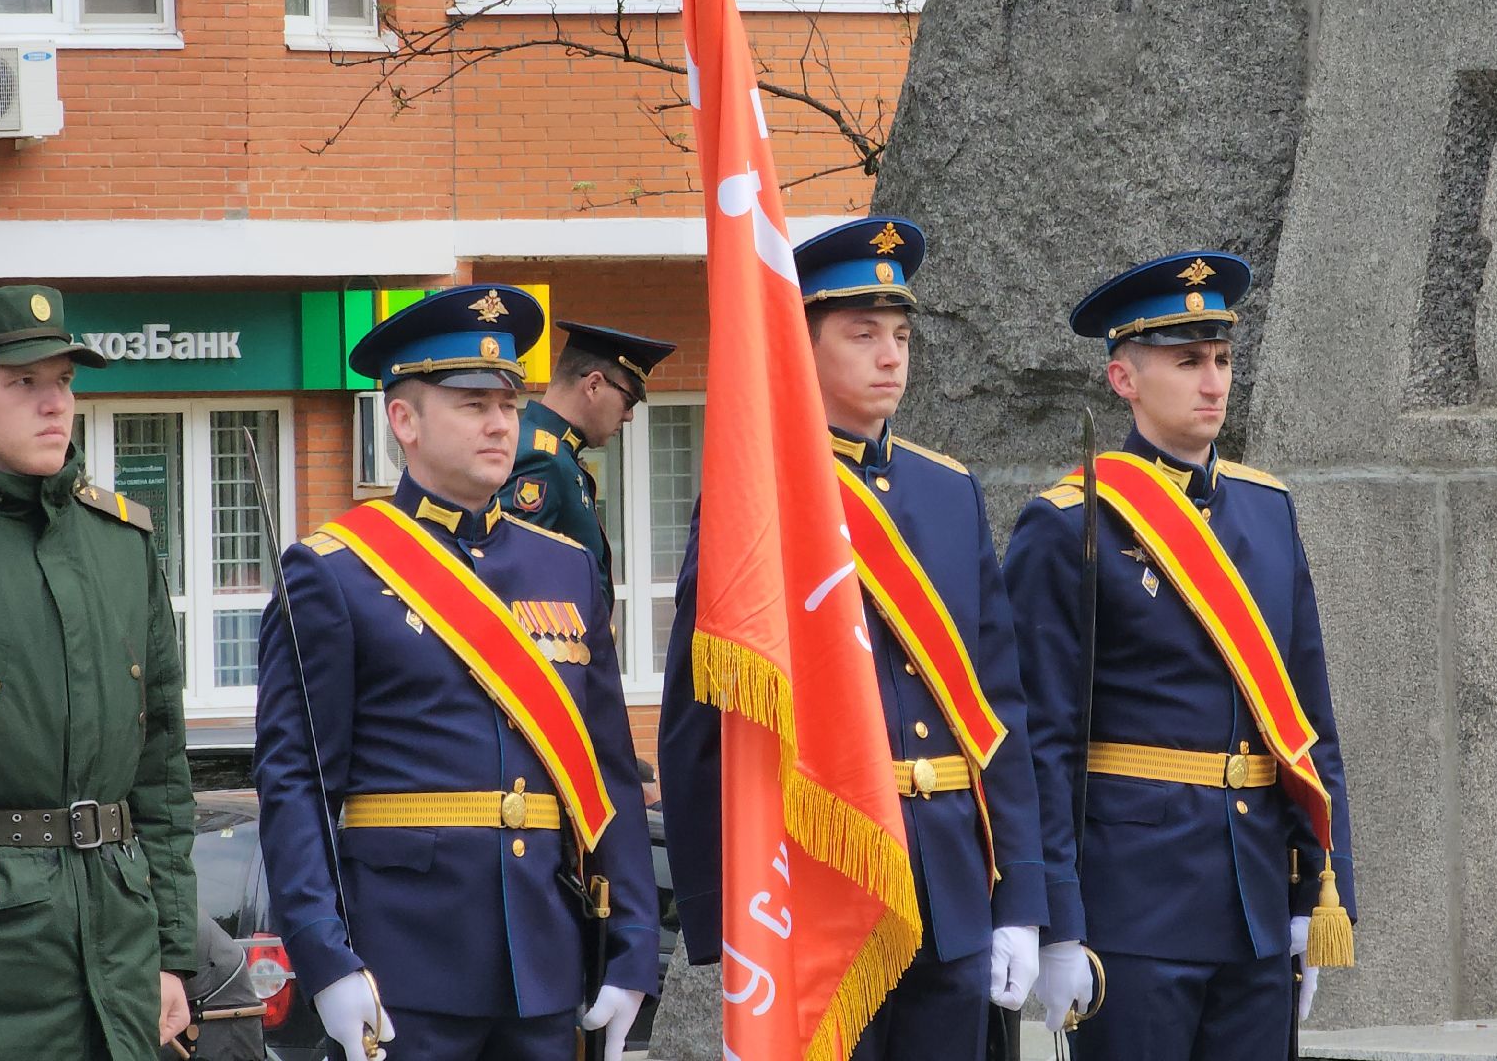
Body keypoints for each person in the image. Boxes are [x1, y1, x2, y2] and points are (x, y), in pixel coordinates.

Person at [659, 218, 1047, 1060]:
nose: (890, 355)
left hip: (949, 882)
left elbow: (998, 708)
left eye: (901, 335)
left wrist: (1020, 895)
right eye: (862, 333)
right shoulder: (755, 497)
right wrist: (727, 925)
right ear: (801, 348)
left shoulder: (948, 491)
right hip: (816, 889)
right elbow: (702, 718)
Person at [252, 286, 658, 1061]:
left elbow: (606, 773)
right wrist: (324, 956)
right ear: (403, 420)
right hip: (401, 970)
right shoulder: (335, 573)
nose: (501, 422)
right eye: (472, 403)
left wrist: (634, 944)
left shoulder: (566, 569)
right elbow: (296, 781)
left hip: (544, 961)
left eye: (509, 402)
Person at [1002, 253, 1356, 1060]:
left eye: (1224, 359)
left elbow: (1309, 719)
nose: (1213, 382)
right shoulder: (1069, 525)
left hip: (1253, 901)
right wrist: (1055, 922)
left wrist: (1319, 889)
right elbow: (1040, 743)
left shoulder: (1267, 512)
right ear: (1123, 378)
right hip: (1133, 907)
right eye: (1188, 360)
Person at [0, 285, 197, 1060]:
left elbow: (160, 768)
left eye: (62, 380)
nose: (54, 403)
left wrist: (171, 952)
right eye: (24, 384)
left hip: (120, 953)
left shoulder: (121, 542)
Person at [505, 321, 677, 600]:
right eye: (629, 401)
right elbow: (511, 580)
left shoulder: (557, 455)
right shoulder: (541, 459)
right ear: (594, 385)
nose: (629, 416)